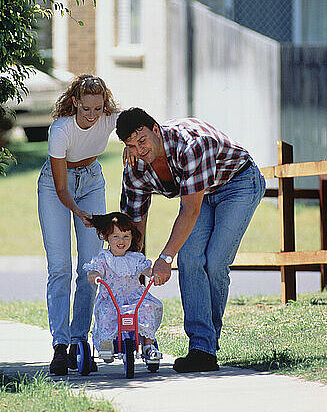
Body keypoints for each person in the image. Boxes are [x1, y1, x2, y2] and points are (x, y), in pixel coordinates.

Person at [116, 108, 266, 373]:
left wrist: (164, 259)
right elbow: (134, 221)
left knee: (216, 262)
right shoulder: (135, 166)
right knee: (190, 259)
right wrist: (135, 265)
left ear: (155, 128)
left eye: (142, 140)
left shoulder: (190, 145)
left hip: (239, 182)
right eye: (132, 145)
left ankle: (207, 347)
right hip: (203, 192)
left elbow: (190, 210)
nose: (139, 150)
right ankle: (201, 350)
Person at [37, 74, 120, 376]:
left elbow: (137, 125)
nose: (92, 116)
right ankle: (60, 345)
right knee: (59, 267)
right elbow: (61, 189)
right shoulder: (61, 129)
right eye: (86, 109)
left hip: (92, 180)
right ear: (74, 102)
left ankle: (78, 344)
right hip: (56, 187)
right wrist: (80, 211)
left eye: (98, 109)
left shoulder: (109, 119)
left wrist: (131, 148)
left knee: (89, 268)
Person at [84, 212, 163, 361]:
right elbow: (94, 270)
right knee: (107, 311)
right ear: (107, 237)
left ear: (132, 237)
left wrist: (152, 274)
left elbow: (145, 269)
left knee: (146, 307)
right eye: (116, 236)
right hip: (112, 299)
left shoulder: (135, 258)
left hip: (134, 299)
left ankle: (148, 345)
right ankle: (106, 344)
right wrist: (94, 275)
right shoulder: (104, 258)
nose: (121, 241)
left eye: (126, 236)